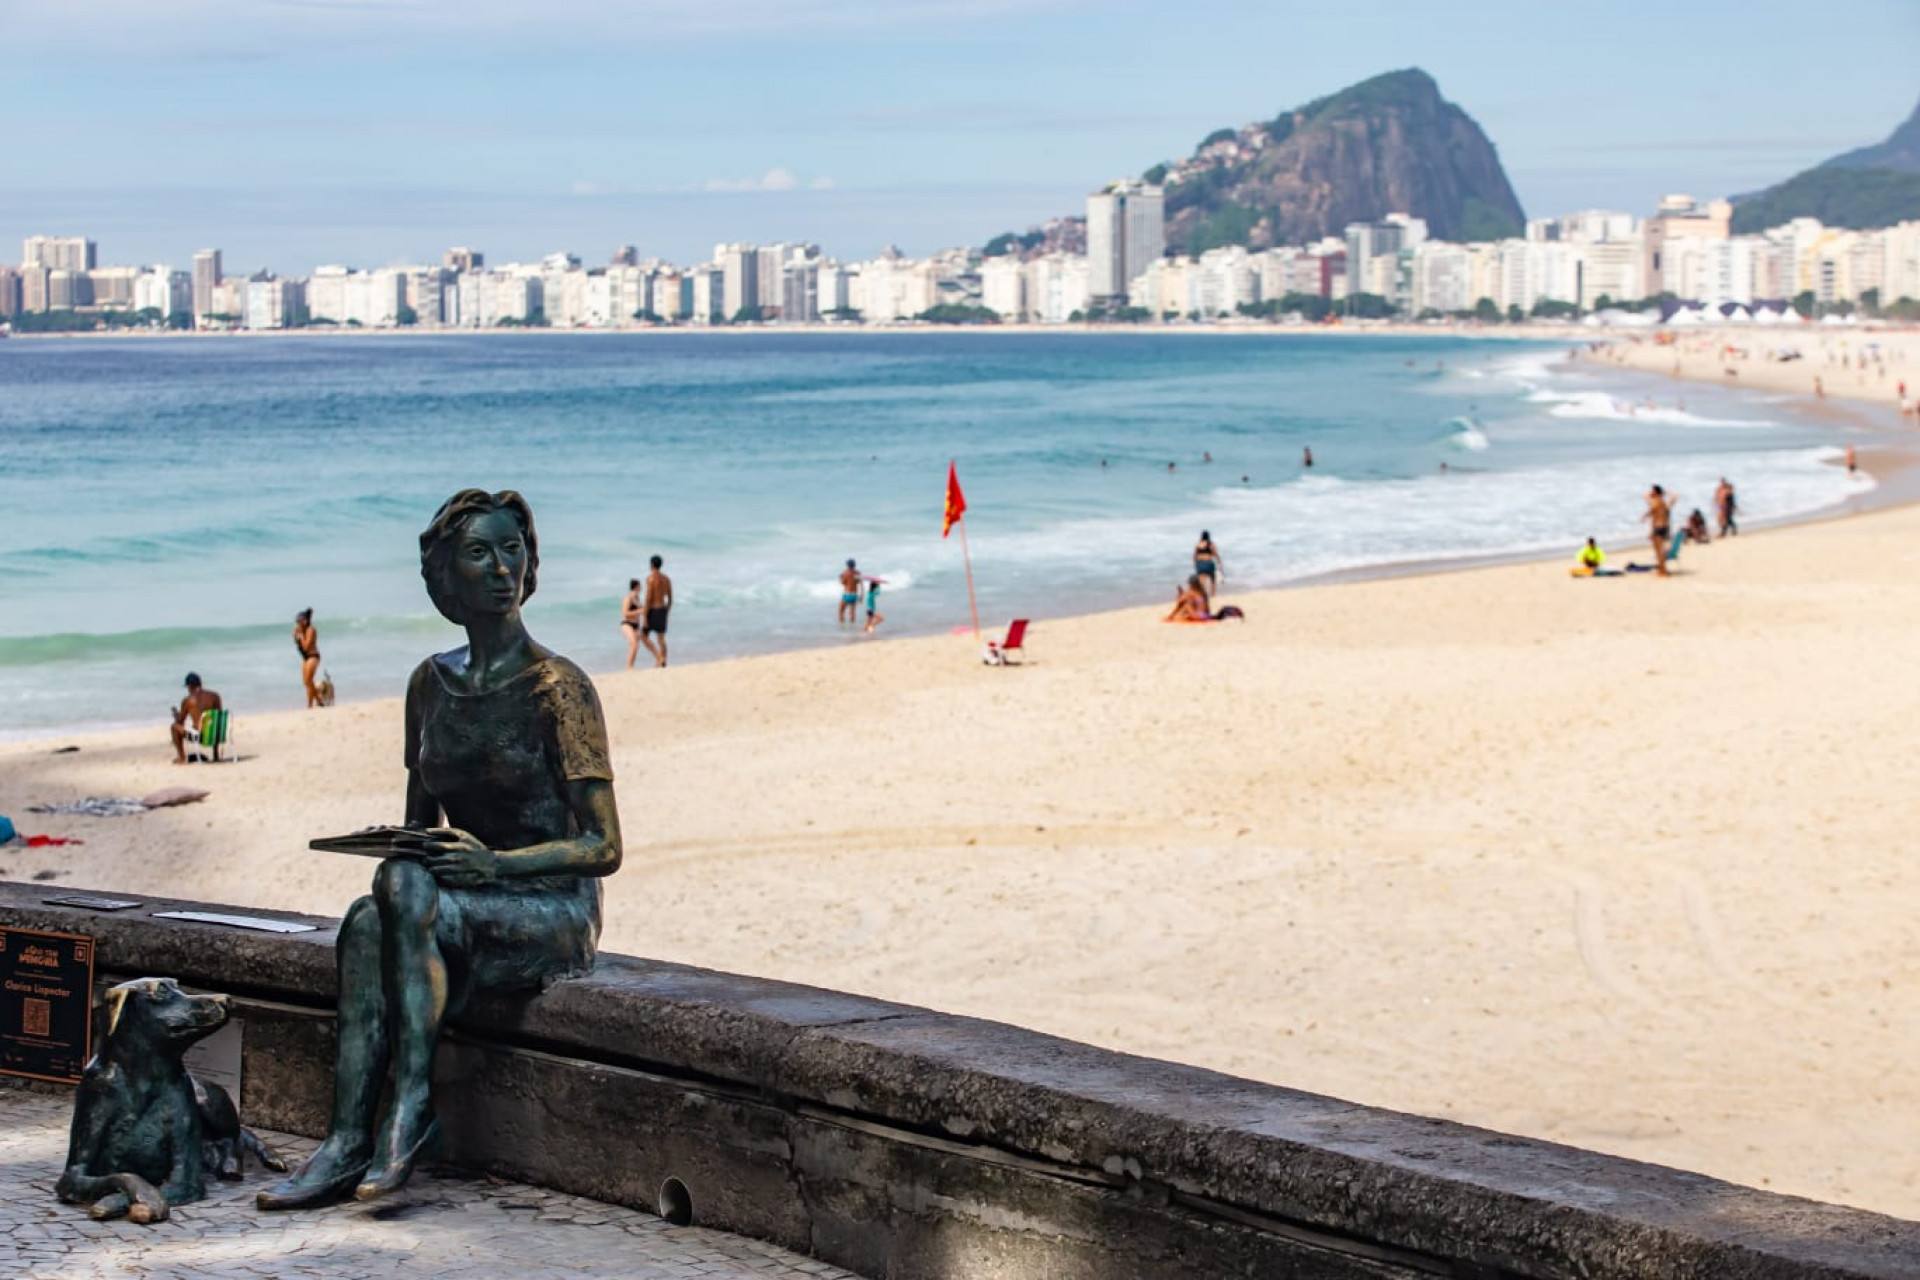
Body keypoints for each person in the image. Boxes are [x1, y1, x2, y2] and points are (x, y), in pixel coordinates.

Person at [257, 489, 622, 1211]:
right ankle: (348, 1138)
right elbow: (418, 833)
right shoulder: (429, 684)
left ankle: (408, 1107)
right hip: (453, 901)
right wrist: (399, 849)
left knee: (388, 905)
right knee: (369, 919)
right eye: (480, 553)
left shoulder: (561, 688)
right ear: (446, 575)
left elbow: (603, 846)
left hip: (546, 905)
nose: (500, 568)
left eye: (512, 550)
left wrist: (497, 865)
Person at [169, 673, 223, 765]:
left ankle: (182, 758)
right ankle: (216, 755)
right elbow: (219, 716)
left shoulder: (188, 700)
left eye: (188, 687)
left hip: (201, 737)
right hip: (215, 734)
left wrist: (176, 715)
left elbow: (181, 721)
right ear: (200, 683)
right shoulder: (215, 696)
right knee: (212, 724)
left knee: (174, 727)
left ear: (190, 686)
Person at [641, 555, 672, 668]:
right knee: (661, 638)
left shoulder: (651, 579)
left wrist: (644, 617)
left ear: (652, 565)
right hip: (662, 609)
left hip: (653, 609)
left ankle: (659, 657)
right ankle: (663, 660)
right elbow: (670, 597)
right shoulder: (666, 579)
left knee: (643, 635)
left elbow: (649, 598)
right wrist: (667, 611)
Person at [294, 609, 323, 708]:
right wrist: (295, 638)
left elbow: (306, 646)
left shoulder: (311, 630)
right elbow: (300, 647)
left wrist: (301, 636)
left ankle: (314, 703)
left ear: (304, 621)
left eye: (299, 622)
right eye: (297, 622)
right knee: (306, 682)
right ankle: (316, 702)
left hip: (313, 656)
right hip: (305, 657)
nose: (298, 624)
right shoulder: (302, 631)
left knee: (309, 680)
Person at [1642, 484, 1672, 578]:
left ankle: (1663, 570)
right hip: (1664, 527)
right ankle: (1662, 569)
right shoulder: (1663, 501)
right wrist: (1664, 492)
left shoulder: (1655, 501)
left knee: (1658, 550)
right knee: (1660, 550)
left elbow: (1652, 510)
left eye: (1652, 491)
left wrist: (1644, 516)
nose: (1650, 492)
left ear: (1655, 492)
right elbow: (1646, 497)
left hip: (1657, 527)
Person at [1193, 530, 1222, 599]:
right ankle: (1212, 595)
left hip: (1200, 563)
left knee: (1201, 581)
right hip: (1208, 562)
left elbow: (1194, 556)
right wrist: (1219, 562)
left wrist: (1195, 564)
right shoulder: (1211, 544)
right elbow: (1215, 554)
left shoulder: (1198, 544)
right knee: (1212, 580)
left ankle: (1201, 595)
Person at [620, 579, 641, 669]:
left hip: (636, 626)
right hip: (627, 624)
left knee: (635, 647)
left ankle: (631, 666)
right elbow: (625, 613)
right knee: (634, 644)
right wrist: (640, 611)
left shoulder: (637, 598)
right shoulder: (628, 598)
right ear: (637, 586)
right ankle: (629, 667)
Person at [838, 560, 862, 627]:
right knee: (852, 613)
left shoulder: (845, 573)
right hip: (854, 594)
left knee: (841, 611)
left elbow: (843, 583)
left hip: (847, 594)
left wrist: (840, 577)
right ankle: (852, 627)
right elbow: (858, 583)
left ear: (847, 565)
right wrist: (861, 596)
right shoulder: (857, 573)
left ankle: (842, 626)